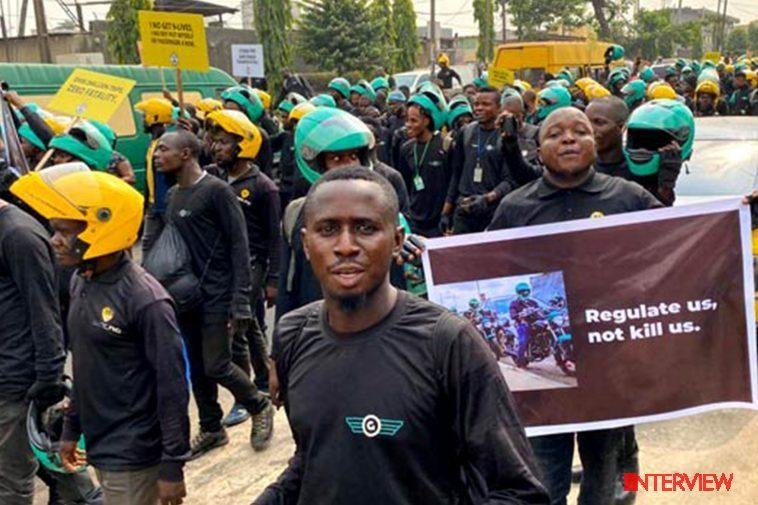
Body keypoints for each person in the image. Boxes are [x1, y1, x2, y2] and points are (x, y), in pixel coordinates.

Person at [255, 166, 549, 504]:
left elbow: (519, 492)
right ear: (306, 244)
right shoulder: (293, 333)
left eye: (365, 228)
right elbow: (313, 455)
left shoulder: (449, 343)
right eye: (328, 229)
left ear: (396, 240)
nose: (346, 246)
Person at [488, 107, 662, 505]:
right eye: (555, 134)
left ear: (598, 143)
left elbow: (675, 247)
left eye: (580, 131)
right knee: (544, 483)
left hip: (611, 370)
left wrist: (739, 215)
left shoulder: (629, 198)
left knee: (605, 484)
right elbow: (478, 262)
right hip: (545, 402)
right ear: (537, 149)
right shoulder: (515, 208)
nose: (568, 139)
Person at [11, 166, 190, 505]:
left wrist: (172, 466)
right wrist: (70, 432)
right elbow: (86, 367)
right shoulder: (82, 281)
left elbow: (173, 386)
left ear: (102, 230)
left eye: (64, 232)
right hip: (100, 446)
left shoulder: (146, 300)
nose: (54, 241)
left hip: (135, 455)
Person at [153, 129, 274, 458]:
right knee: (196, 363)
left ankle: (258, 404)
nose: (156, 155)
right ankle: (211, 427)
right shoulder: (173, 194)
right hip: (186, 296)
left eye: (164, 149)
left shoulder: (217, 191)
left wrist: (240, 301)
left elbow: (239, 245)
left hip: (218, 294)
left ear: (187, 154)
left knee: (217, 364)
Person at [276, 108, 410, 320]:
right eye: (337, 158)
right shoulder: (296, 213)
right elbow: (289, 280)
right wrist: (282, 343)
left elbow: (400, 277)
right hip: (316, 328)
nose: (348, 165)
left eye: (353, 156)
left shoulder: (382, 208)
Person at [204, 109, 281, 426]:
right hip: (224, 265)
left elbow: (275, 238)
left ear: (244, 145)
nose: (215, 148)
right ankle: (263, 378)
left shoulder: (263, 187)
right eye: (214, 142)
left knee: (237, 327)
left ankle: (244, 397)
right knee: (249, 326)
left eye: (223, 143)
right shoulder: (215, 178)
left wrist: (272, 278)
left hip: (252, 266)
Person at [0, 193, 66, 504]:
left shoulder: (18, 235)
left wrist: (50, 376)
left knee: (11, 483)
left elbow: (45, 310)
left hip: (16, 377)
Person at [443, 86, 515, 235]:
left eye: (486, 104)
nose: (479, 108)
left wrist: (486, 198)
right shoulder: (466, 132)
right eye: (476, 104)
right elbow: (456, 174)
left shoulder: (506, 137)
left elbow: (510, 181)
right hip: (464, 210)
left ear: (499, 108)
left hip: (492, 213)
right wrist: (446, 212)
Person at [396, 92, 451, 237]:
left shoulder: (444, 146)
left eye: (413, 120)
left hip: (439, 222)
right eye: (407, 120)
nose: (408, 125)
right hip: (415, 221)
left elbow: (453, 182)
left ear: (427, 120)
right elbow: (406, 185)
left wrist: (447, 215)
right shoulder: (406, 148)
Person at [135, 97, 176, 256]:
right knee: (147, 243)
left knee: (174, 242)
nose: (143, 120)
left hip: (167, 203)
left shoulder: (169, 142)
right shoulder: (152, 142)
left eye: (145, 116)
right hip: (153, 205)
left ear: (155, 117)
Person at [221, 85, 274, 175]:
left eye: (234, 111)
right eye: (226, 111)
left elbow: (266, 170)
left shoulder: (260, 135)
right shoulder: (220, 133)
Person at [508, 282, 546, 367]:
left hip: (535, 323)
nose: (525, 293)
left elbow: (540, 310)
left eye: (527, 291)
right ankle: (520, 361)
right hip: (523, 324)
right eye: (522, 292)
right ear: (518, 293)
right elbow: (512, 314)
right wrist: (517, 315)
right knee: (523, 341)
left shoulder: (533, 302)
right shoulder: (514, 303)